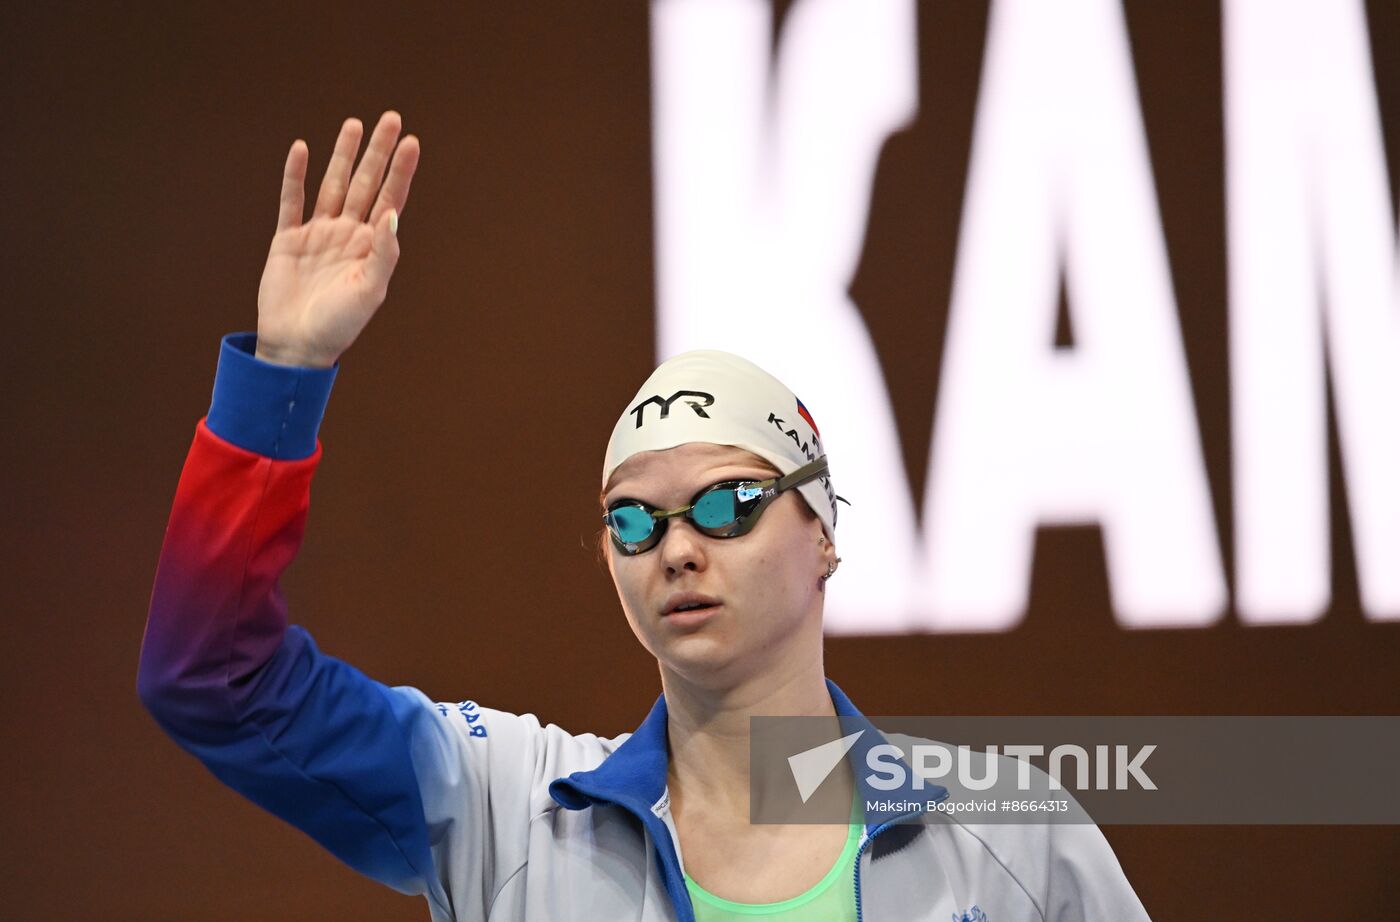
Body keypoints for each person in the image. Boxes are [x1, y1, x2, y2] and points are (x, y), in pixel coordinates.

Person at [138, 110, 1150, 921]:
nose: (675, 548)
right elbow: (212, 678)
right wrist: (285, 373)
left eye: (725, 506)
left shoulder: (1009, 839)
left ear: (823, 533)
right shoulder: (508, 809)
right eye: (635, 521)